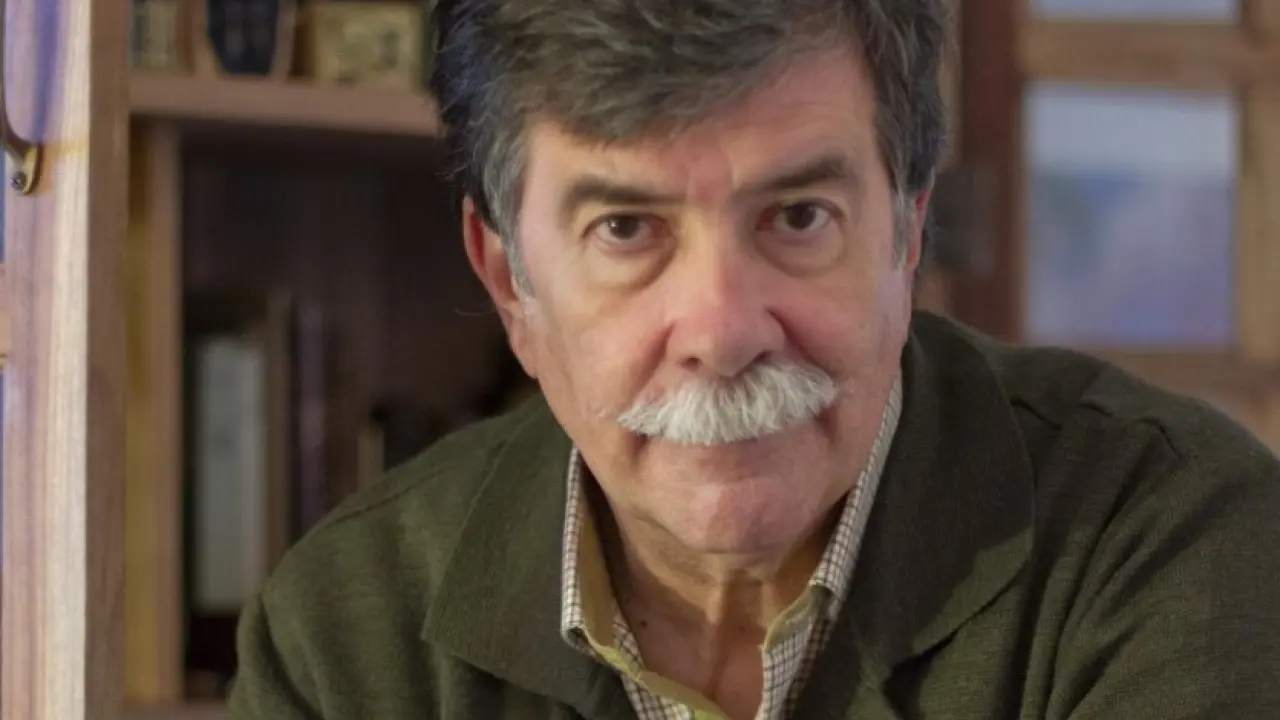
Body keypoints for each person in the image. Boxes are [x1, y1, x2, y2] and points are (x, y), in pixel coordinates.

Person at [227, 1, 1280, 717]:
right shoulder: (346, 629)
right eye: (626, 230)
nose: (723, 331)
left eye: (799, 216)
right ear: (511, 283)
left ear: (907, 233)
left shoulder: (1164, 540)